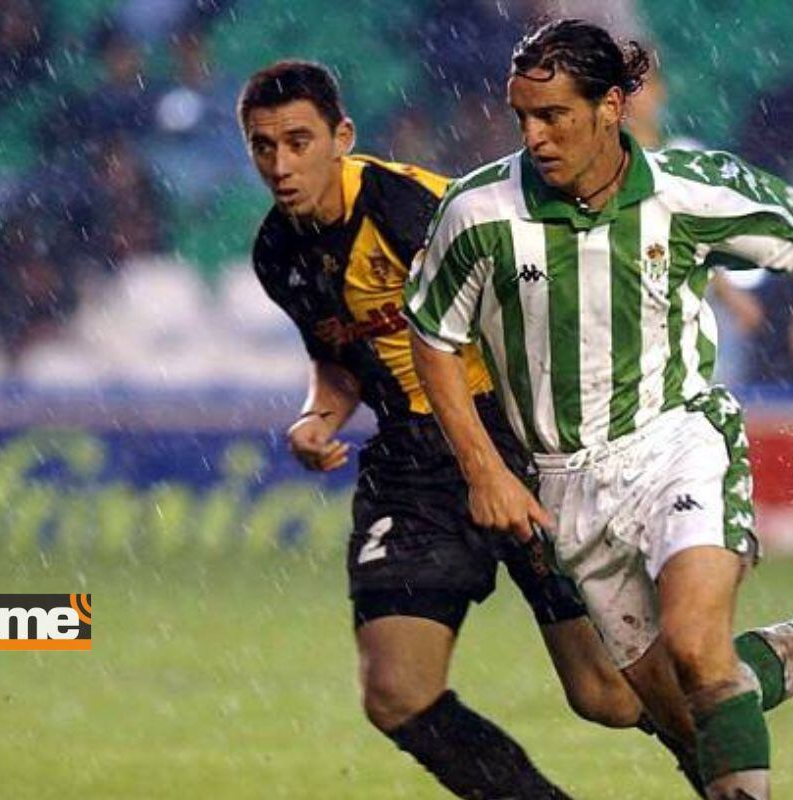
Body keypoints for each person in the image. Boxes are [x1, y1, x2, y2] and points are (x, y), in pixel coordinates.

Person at [404, 20, 793, 800]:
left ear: (611, 108)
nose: (533, 137)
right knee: (676, 710)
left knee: (699, 647)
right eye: (522, 118)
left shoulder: (685, 189)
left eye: (553, 116)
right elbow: (432, 335)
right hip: (565, 481)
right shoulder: (479, 212)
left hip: (679, 441)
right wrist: (483, 470)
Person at [240, 58, 637, 800]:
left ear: (341, 137)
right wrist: (316, 418)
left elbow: (522, 315)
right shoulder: (277, 254)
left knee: (614, 696)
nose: (282, 165)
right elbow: (340, 362)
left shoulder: (415, 211)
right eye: (264, 147)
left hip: (516, 438)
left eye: (298, 142)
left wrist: (522, 452)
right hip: (414, 463)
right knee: (397, 692)